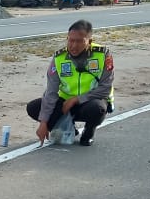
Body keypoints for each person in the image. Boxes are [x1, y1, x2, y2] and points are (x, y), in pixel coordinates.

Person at [26, 19, 115, 147]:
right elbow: (51, 92)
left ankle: (88, 132)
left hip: (89, 103)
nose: (73, 45)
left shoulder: (103, 55)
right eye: (70, 40)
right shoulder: (59, 58)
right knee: (34, 107)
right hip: (65, 104)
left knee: (98, 109)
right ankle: (69, 129)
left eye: (79, 41)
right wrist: (43, 122)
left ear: (89, 41)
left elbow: (105, 88)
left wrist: (77, 99)